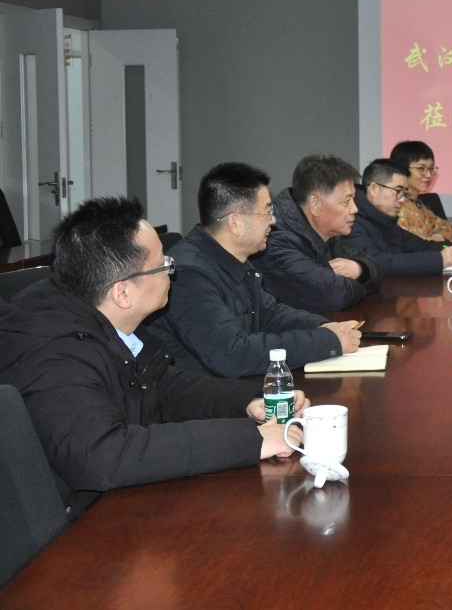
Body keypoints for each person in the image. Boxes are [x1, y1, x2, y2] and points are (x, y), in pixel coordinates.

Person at [0, 197, 306, 518]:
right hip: (77, 527)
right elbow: (104, 457)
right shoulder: (53, 355)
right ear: (122, 293)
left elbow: (166, 387)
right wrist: (250, 441)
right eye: (164, 265)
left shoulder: (105, 317)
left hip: (117, 502)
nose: (172, 272)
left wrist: (251, 400)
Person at [147, 162, 363, 378]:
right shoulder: (188, 274)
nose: (273, 220)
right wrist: (326, 342)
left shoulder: (233, 258)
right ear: (235, 223)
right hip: (199, 392)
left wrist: (323, 327)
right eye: (267, 211)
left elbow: (269, 313)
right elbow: (232, 354)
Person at [254, 154, 383, 313]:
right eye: (346, 201)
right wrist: (362, 284)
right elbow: (333, 295)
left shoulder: (327, 233)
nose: (355, 209)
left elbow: (374, 265)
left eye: (353, 199)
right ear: (315, 204)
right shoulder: (276, 240)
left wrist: (359, 269)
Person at [346, 159, 452, 276]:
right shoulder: (352, 221)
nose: (402, 199)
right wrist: (439, 260)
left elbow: (424, 246)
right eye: (398, 191)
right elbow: (379, 263)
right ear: (374, 189)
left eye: (404, 193)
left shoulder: (385, 220)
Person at [391, 140, 452, 242]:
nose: (429, 175)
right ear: (401, 169)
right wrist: (436, 242)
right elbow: (408, 244)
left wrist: (437, 237)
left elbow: (449, 228)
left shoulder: (418, 204)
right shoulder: (395, 207)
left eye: (431, 168)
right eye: (421, 168)